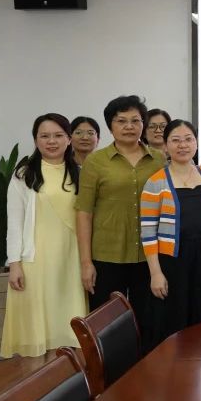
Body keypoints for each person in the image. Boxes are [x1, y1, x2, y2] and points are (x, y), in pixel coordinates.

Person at [75, 95, 165, 336]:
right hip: (107, 255)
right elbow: (84, 212)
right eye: (121, 121)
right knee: (107, 326)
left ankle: (147, 361)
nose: (129, 126)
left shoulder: (158, 159)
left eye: (135, 120)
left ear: (143, 124)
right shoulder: (96, 161)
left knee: (149, 321)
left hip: (149, 255)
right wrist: (86, 262)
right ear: (110, 126)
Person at [1, 114, 87, 358]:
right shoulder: (24, 175)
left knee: (71, 327)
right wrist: (14, 264)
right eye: (45, 136)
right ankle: (39, 378)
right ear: (35, 140)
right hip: (35, 260)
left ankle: (72, 378)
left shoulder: (80, 173)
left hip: (71, 259)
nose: (52, 141)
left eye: (58, 135)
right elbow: (14, 224)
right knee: (38, 336)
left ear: (69, 139)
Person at [140, 120, 201, 347]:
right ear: (166, 145)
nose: (183, 145)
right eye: (175, 140)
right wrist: (155, 273)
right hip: (173, 261)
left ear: (196, 143)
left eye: (188, 139)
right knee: (175, 320)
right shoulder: (156, 182)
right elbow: (148, 231)